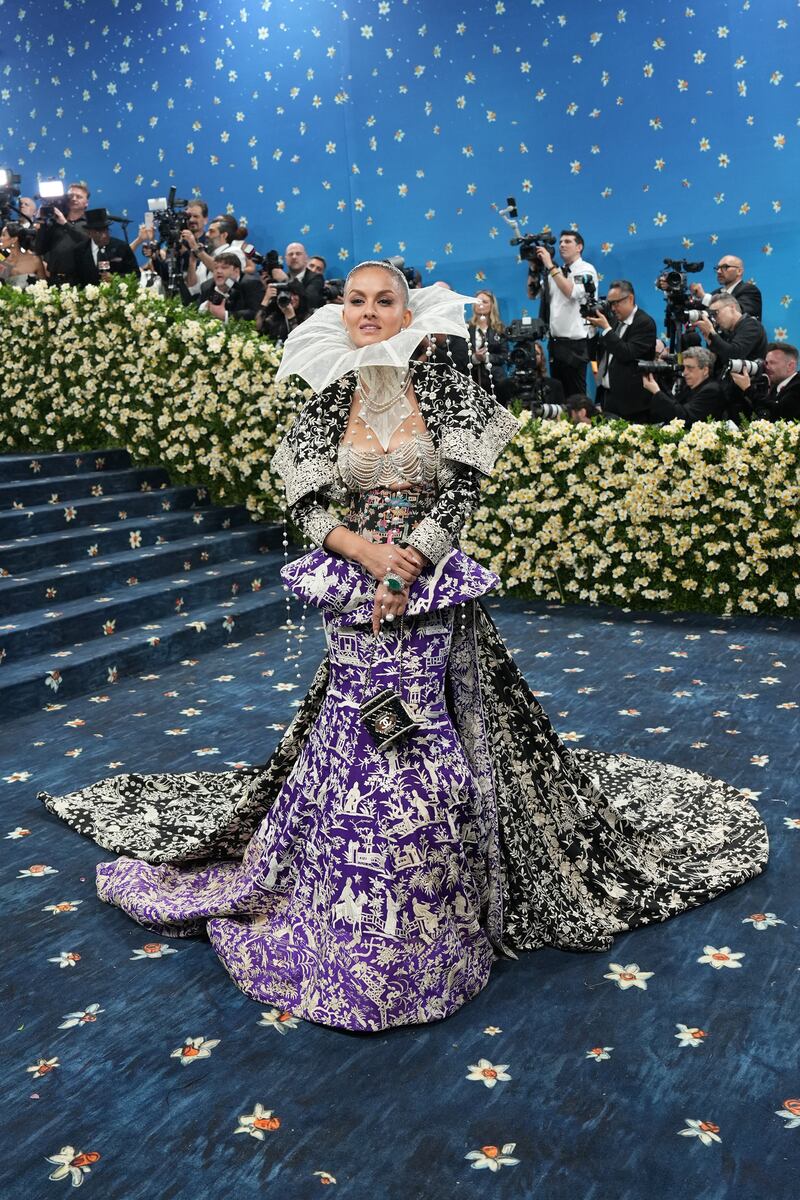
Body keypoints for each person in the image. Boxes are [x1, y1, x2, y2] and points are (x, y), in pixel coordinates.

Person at [41, 261, 767, 1033]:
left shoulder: (447, 387)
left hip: (430, 598)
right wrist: (363, 552)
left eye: (383, 300)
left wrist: (409, 560)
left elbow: (462, 488)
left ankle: (431, 916)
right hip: (353, 594)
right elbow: (305, 499)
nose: (367, 311)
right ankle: (341, 889)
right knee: (360, 737)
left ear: (407, 312)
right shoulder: (327, 397)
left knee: (418, 749)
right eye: (355, 300)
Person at [536, 229, 598, 397]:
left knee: (576, 398)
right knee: (558, 395)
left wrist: (550, 266)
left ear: (579, 247)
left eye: (567, 241)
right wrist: (533, 268)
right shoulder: (556, 272)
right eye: (561, 242)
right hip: (556, 343)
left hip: (576, 345)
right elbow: (532, 293)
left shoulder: (586, 270)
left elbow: (572, 292)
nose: (562, 245)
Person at [586, 280, 657, 422]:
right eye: (610, 303)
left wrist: (606, 329)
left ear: (630, 299)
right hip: (608, 398)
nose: (612, 308)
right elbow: (593, 355)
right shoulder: (613, 321)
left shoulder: (644, 323)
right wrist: (593, 329)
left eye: (615, 303)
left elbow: (626, 353)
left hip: (632, 404)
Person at [642, 346, 725, 426]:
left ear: (705, 370)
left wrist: (657, 392)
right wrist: (660, 380)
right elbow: (674, 405)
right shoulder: (688, 387)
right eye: (683, 368)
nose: (684, 373)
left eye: (690, 368)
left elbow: (684, 417)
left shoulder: (711, 390)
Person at [731, 342, 800, 421]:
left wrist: (748, 389)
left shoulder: (797, 385)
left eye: (772, 363)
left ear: (790, 366)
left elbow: (781, 414)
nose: (767, 367)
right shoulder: (775, 387)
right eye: (766, 363)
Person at [71, 208, 139, 286]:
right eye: (98, 231)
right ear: (89, 233)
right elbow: (76, 279)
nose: (104, 235)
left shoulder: (121, 247)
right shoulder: (80, 250)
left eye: (106, 230)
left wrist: (115, 278)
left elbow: (136, 275)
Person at [192, 249, 264, 321]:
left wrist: (226, 316)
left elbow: (255, 312)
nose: (218, 271)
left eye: (224, 267)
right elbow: (195, 311)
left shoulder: (251, 283)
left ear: (236, 271)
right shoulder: (207, 286)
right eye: (216, 268)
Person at [690, 254, 762, 321]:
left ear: (739, 271)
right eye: (717, 268)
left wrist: (703, 296)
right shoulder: (718, 292)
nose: (718, 271)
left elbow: (737, 313)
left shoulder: (749, 290)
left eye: (725, 267)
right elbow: (699, 309)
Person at [467, 290, 509, 395]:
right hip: (472, 380)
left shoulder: (500, 329)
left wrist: (486, 357)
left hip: (496, 380)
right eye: (478, 301)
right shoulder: (466, 328)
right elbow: (460, 354)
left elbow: (505, 355)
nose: (480, 304)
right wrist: (474, 358)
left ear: (492, 306)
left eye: (485, 302)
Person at [0, 221, 46, 287]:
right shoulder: (4, 262)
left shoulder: (34, 260)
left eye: (3, 235)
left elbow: (44, 286)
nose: (0, 238)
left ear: (14, 239)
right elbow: (3, 287)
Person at [284, 241, 325, 311]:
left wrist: (286, 280)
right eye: (290, 254)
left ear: (306, 258)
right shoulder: (280, 278)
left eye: (298, 254)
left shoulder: (316, 278)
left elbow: (310, 301)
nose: (294, 257)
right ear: (286, 259)